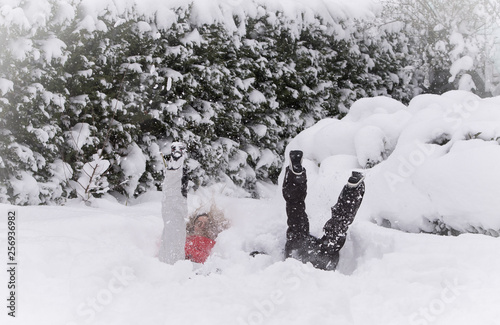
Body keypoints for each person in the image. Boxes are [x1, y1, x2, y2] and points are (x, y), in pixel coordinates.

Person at [283, 150, 365, 270]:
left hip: (301, 250)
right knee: (335, 229)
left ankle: (295, 175)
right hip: (321, 257)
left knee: (296, 213)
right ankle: (352, 190)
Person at [158, 142, 227, 264]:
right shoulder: (183, 236)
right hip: (174, 260)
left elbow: (209, 259)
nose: (201, 226)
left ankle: (176, 178)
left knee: (174, 227)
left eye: (205, 224)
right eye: (199, 222)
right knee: (173, 218)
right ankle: (174, 172)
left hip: (190, 268)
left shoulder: (212, 244)